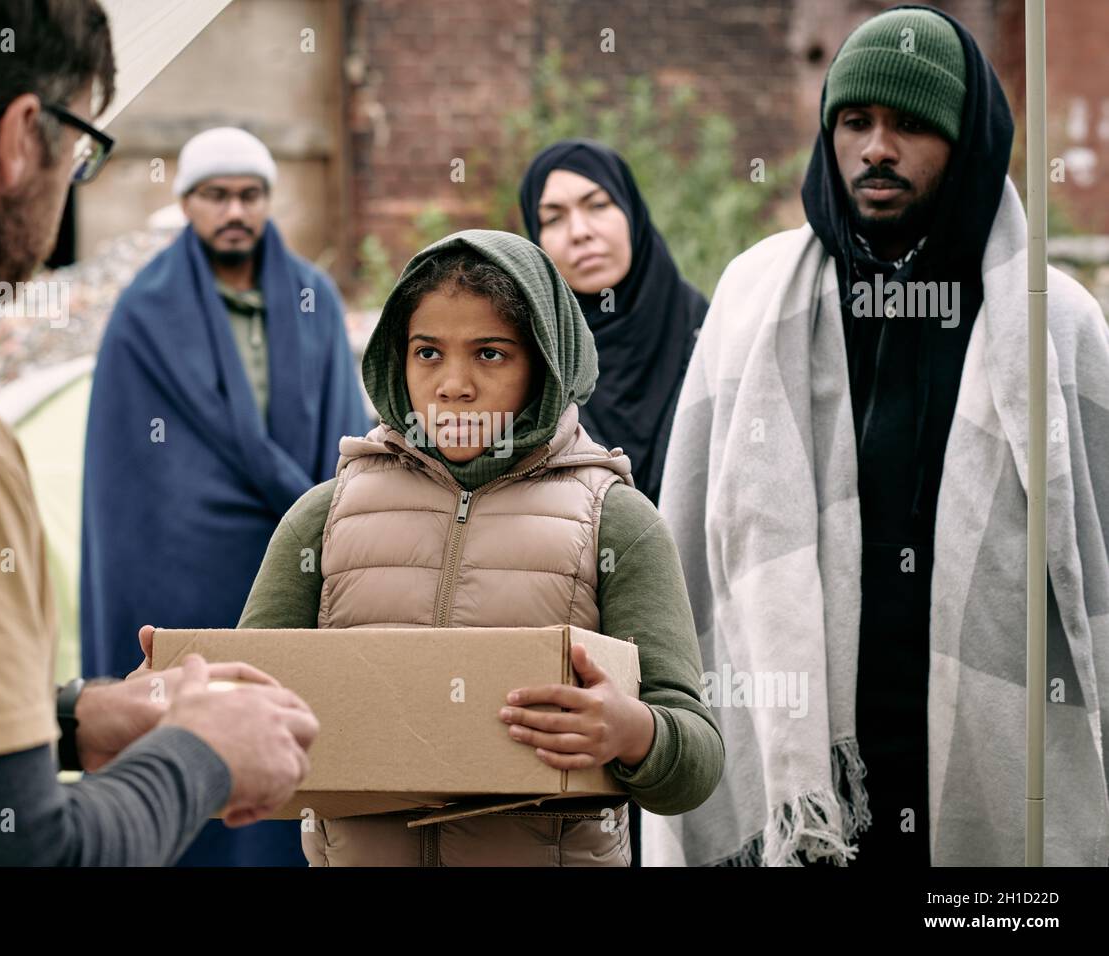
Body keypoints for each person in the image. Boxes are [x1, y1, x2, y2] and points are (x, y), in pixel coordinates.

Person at [0, 0, 317, 865]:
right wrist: (200, 756)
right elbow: (1, 860)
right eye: (81, 148)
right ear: (18, 137)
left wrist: (67, 719)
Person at [648, 4, 1109, 867]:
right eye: (855, 122)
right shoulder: (753, 302)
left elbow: (1098, 554)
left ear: (967, 141)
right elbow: (684, 544)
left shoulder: (1059, 322)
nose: (877, 150)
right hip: (804, 764)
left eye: (910, 125)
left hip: (986, 755)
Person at [233, 228, 724, 866]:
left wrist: (633, 732)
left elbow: (697, 763)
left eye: (491, 354)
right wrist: (179, 692)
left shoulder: (615, 523)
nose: (453, 385)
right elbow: (247, 706)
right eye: (427, 353)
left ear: (545, 363)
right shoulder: (323, 519)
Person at [80, 127, 369, 866]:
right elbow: (131, 481)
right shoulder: (145, 312)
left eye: (249, 194)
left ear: (269, 200)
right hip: (183, 564)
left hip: (292, 551)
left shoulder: (312, 295)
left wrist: (324, 523)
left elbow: (342, 433)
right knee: (194, 719)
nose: (234, 210)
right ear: (187, 204)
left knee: (289, 732)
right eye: (216, 195)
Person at [519, 140, 708, 504]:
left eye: (598, 205)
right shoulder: (529, 358)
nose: (579, 232)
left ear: (631, 210)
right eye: (554, 218)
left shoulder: (708, 331)